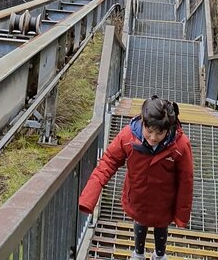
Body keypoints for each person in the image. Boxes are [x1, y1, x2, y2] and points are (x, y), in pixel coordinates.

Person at [79, 95, 194, 260]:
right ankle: (139, 253)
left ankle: (159, 255)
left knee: (161, 226)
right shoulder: (128, 137)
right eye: (149, 131)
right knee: (140, 221)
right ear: (143, 122)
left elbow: (186, 180)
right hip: (138, 195)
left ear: (168, 129)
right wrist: (90, 194)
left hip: (164, 201)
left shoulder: (180, 145)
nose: (153, 138)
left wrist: (182, 215)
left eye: (159, 133)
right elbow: (108, 162)